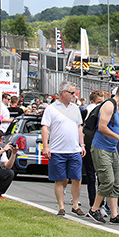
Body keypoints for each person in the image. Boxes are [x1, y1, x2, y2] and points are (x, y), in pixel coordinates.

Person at [87, 83, 119, 226]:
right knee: (107, 180)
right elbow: (102, 127)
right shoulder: (109, 105)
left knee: (117, 183)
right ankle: (94, 209)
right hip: (100, 148)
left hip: (112, 148)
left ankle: (114, 215)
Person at [41, 81, 86, 217]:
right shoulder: (52, 108)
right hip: (58, 150)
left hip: (74, 149)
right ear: (64, 93)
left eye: (75, 93)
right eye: (72, 93)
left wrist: (82, 144)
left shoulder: (75, 108)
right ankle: (61, 206)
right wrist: (46, 146)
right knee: (60, 179)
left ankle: (75, 205)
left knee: (77, 178)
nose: (74, 95)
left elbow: (79, 127)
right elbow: (45, 127)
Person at [81, 90, 104, 206]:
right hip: (89, 144)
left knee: (101, 176)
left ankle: (99, 204)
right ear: (92, 102)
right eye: (98, 102)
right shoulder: (88, 110)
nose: (101, 104)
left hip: (100, 144)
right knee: (91, 176)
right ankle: (92, 203)